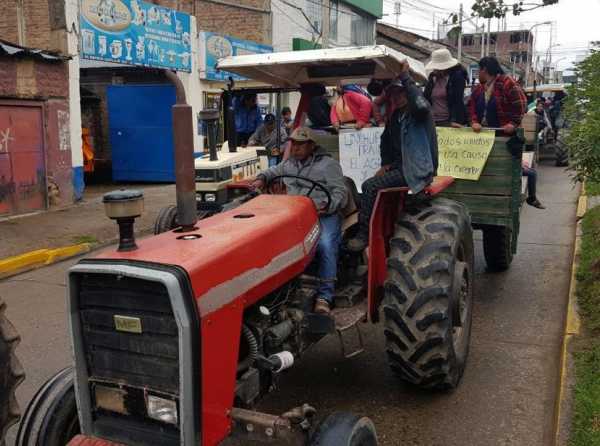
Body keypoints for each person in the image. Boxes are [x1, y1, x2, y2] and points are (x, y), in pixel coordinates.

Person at [252, 127, 348, 315]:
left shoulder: (328, 165)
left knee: (325, 244)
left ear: (312, 146)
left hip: (322, 215)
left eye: (300, 144)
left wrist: (326, 206)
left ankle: (324, 296)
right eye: (293, 143)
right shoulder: (289, 164)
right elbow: (273, 171)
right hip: (295, 215)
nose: (295, 148)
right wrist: (261, 179)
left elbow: (340, 192)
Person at [347, 62, 438, 252]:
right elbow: (385, 140)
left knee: (369, 186)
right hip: (399, 168)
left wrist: (406, 78)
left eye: (401, 92)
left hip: (415, 168)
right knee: (362, 186)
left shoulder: (419, 112)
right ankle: (374, 227)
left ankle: (365, 236)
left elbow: (420, 105)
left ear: (408, 92)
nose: (397, 97)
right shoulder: (396, 115)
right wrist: (385, 164)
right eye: (394, 94)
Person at [468, 57, 527, 134]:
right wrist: (474, 122)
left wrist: (513, 123)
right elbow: (471, 105)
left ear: (484, 70)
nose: (478, 73)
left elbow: (521, 103)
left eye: (479, 70)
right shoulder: (479, 88)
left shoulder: (507, 83)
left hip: (503, 134)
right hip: (482, 134)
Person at [424, 48, 468, 127]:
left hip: (449, 122)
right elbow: (426, 98)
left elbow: (457, 100)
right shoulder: (432, 78)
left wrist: (455, 120)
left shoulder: (457, 77)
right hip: (432, 121)